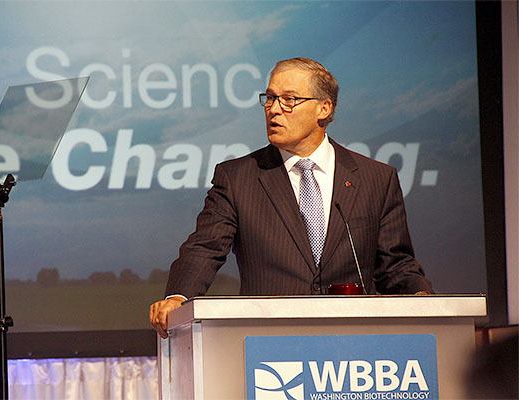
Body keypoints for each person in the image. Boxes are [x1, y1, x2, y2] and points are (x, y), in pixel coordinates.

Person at [150, 57, 432, 338]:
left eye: (289, 99)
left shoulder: (375, 179)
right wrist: (179, 297)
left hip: (354, 343)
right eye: (270, 98)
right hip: (269, 344)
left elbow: (395, 264)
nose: (273, 109)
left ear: (324, 108)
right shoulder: (238, 178)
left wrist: (421, 297)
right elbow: (205, 247)